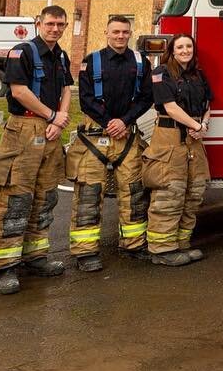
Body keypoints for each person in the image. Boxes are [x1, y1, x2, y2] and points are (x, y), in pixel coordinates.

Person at [0, 5, 73, 295]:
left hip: (50, 131)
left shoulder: (60, 55)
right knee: (16, 199)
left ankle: (35, 256)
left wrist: (59, 122)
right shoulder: (21, 52)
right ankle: (4, 267)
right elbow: (20, 91)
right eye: (50, 24)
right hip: (24, 129)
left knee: (46, 197)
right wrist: (51, 116)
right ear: (39, 23)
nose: (55, 29)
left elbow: (66, 90)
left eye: (60, 24)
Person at [66, 16, 154, 271]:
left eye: (125, 32)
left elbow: (146, 97)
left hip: (127, 135)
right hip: (96, 136)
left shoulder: (140, 62)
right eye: (115, 32)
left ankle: (134, 244)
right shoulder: (90, 61)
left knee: (134, 192)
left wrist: (124, 122)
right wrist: (109, 123)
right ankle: (85, 252)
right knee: (89, 194)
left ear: (130, 33)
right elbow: (85, 99)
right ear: (106, 33)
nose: (120, 36)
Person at [142, 34, 211, 266]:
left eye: (189, 46)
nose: (185, 50)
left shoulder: (197, 75)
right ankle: (162, 250)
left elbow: (208, 105)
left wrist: (203, 125)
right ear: (171, 50)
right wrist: (196, 126)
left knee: (193, 192)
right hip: (169, 138)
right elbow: (170, 108)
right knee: (169, 193)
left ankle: (182, 244)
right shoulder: (161, 73)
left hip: (193, 139)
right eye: (180, 47)